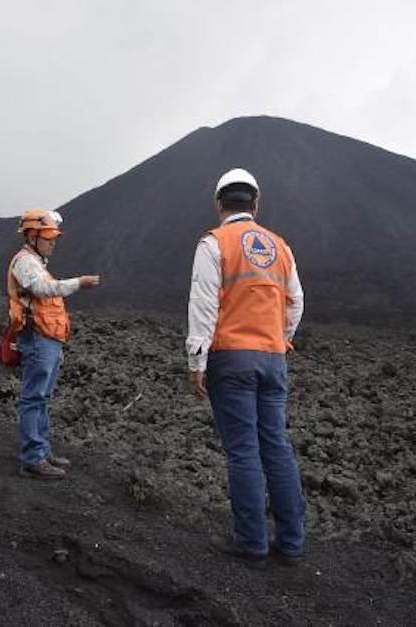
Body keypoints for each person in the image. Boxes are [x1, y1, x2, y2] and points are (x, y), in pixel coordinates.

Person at [185, 168, 306, 563]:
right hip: (273, 359)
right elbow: (296, 302)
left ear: (219, 204)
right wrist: (280, 340)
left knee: (243, 451)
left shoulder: (215, 242)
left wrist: (196, 361)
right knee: (276, 446)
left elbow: (203, 303)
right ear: (255, 203)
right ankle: (291, 543)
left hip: (232, 359)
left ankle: (251, 542)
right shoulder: (281, 247)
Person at [6, 208, 100, 479]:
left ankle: (42, 451)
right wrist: (78, 283)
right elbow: (43, 290)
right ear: (32, 236)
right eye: (48, 238)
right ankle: (32, 459)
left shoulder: (36, 262)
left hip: (48, 338)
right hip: (37, 338)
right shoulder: (25, 263)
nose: (53, 242)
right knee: (34, 398)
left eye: (53, 238)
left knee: (42, 398)